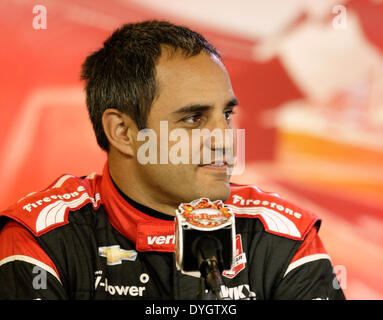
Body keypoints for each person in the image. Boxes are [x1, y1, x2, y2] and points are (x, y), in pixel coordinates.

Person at [0, 20, 345, 300]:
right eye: (194, 118)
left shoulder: (284, 235)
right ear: (123, 132)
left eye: (226, 115)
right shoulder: (41, 236)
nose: (225, 139)